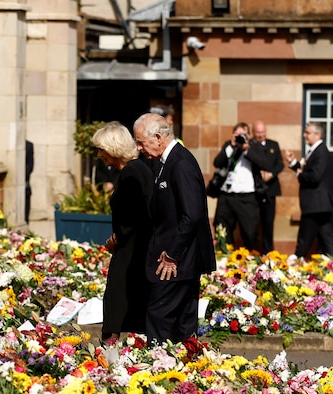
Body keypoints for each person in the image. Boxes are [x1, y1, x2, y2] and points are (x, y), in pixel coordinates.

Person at [133, 112, 216, 345]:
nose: (139, 148)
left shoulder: (180, 163)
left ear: (158, 137)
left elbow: (192, 216)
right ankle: (183, 372)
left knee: (159, 316)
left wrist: (172, 255)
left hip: (177, 261)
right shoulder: (166, 161)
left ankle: (158, 368)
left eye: (141, 142)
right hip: (179, 259)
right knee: (182, 325)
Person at [92, 122, 154, 343]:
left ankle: (109, 351)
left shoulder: (131, 173)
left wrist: (116, 237)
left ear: (113, 148)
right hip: (135, 247)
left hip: (132, 250)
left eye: (102, 150)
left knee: (117, 298)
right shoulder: (137, 169)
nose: (100, 155)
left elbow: (138, 213)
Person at [212, 122, 269, 252]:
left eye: (242, 135)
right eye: (237, 135)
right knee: (222, 231)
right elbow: (217, 163)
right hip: (226, 196)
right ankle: (223, 261)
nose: (239, 138)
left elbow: (265, 164)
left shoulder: (255, 146)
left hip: (247, 198)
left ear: (248, 135)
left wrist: (247, 149)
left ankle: (253, 262)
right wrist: (231, 146)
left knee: (250, 233)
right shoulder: (229, 145)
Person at [284, 122, 333, 257]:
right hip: (319, 205)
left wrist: (299, 174)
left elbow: (314, 177)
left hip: (316, 204)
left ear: (317, 135)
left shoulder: (321, 152)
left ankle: (295, 265)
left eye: (307, 133)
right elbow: (309, 170)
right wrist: (294, 164)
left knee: (304, 239)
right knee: (326, 238)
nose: (304, 135)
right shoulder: (315, 151)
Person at [251, 120, 284, 253]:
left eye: (263, 132)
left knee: (268, 223)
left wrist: (271, 174)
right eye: (258, 132)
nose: (261, 135)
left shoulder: (273, 145)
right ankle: (254, 251)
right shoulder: (250, 146)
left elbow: (280, 164)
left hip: (270, 190)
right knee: (253, 224)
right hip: (254, 191)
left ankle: (268, 250)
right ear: (253, 133)